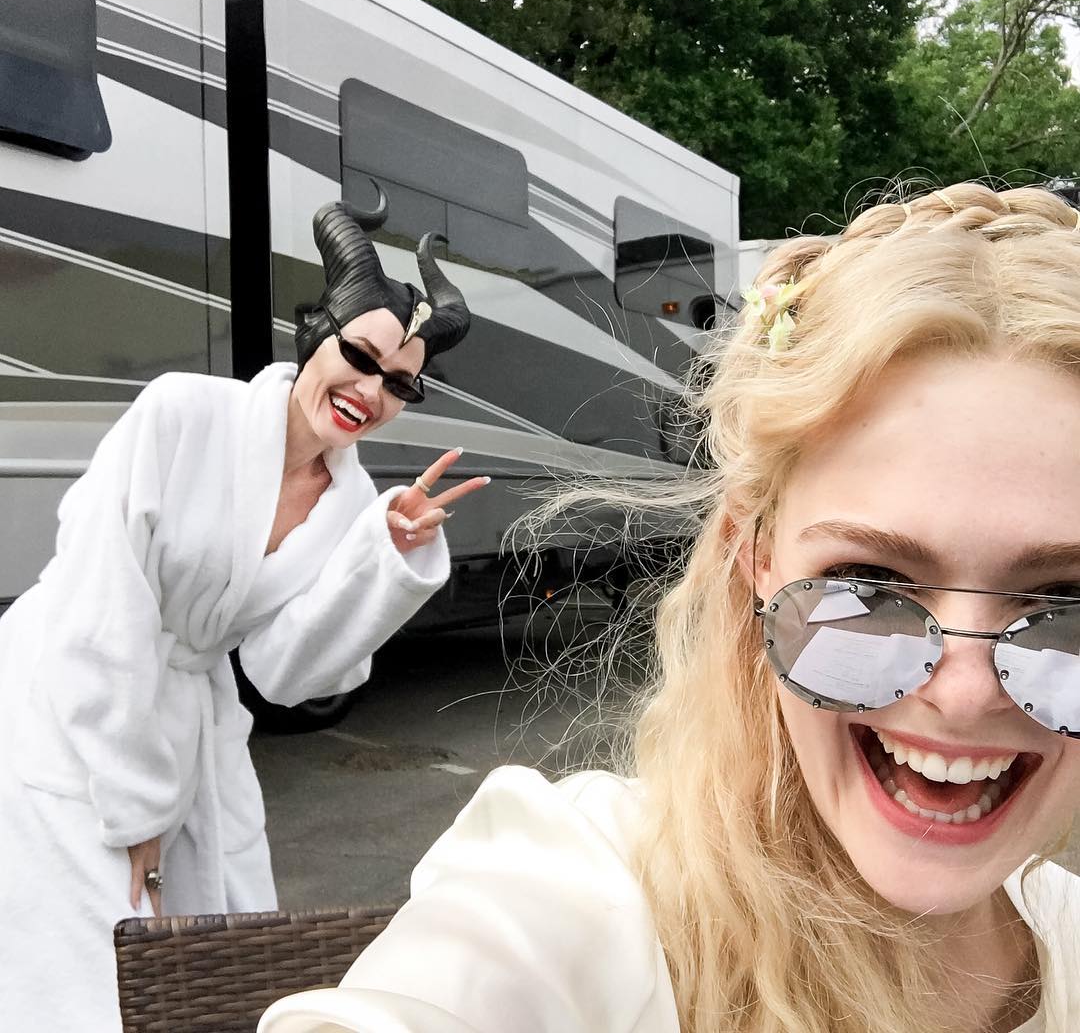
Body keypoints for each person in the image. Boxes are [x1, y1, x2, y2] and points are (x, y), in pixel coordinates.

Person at [260, 182, 1080, 1033]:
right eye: (869, 583)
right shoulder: (584, 893)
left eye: (1068, 602)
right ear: (753, 560)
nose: (966, 694)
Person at [0, 194, 489, 1031]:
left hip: (192, 728)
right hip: (69, 702)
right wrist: (137, 807)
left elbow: (284, 672)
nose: (370, 391)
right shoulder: (181, 413)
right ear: (316, 333)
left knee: (211, 953)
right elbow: (99, 604)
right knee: (86, 960)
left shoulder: (350, 503)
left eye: (399, 383)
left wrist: (385, 557)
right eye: (360, 356)